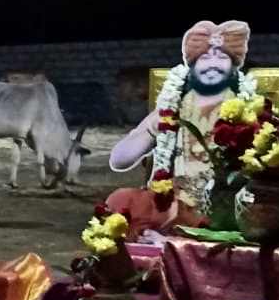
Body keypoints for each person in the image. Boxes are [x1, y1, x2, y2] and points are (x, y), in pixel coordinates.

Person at [105, 19, 252, 237]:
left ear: (234, 66)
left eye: (222, 57)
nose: (213, 63)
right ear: (191, 65)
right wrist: (151, 129)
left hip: (224, 203)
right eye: (205, 57)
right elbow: (119, 160)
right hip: (172, 201)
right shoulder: (171, 107)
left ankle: (172, 238)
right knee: (121, 200)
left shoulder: (248, 109)